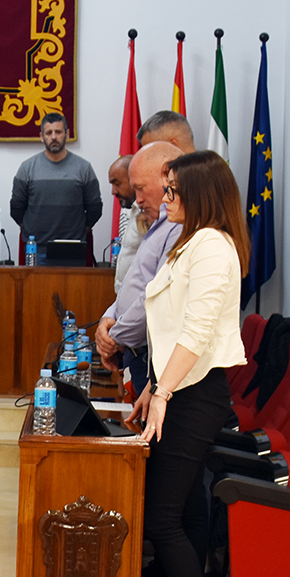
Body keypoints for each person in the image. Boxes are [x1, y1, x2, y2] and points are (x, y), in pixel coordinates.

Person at [128, 149, 248, 577]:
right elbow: (170, 328)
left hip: (195, 397)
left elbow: (196, 334)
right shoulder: (189, 242)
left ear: (199, 194)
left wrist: (163, 393)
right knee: (185, 511)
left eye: (173, 191)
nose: (165, 198)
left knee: (161, 515)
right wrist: (153, 385)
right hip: (179, 388)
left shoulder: (213, 248)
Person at [95, 141, 185, 393]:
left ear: (167, 177)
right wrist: (108, 318)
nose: (138, 199)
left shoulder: (179, 226)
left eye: (141, 188)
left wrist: (113, 336)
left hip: (151, 354)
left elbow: (155, 295)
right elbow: (133, 282)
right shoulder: (159, 223)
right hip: (137, 352)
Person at [8, 113, 104, 259]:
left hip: (73, 247)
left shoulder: (83, 168)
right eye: (49, 133)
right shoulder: (27, 168)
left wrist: (80, 229)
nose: (53, 137)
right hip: (36, 249)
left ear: (67, 134)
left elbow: (95, 207)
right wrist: (31, 228)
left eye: (58, 132)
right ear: (42, 136)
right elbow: (16, 207)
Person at [108, 155, 139, 285]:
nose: (113, 191)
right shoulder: (128, 210)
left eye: (117, 184)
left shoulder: (151, 213)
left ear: (134, 178)